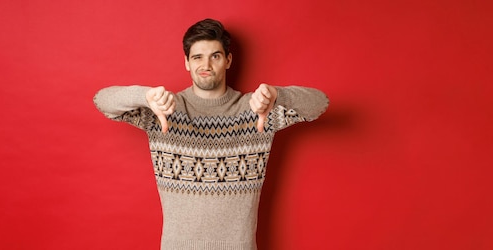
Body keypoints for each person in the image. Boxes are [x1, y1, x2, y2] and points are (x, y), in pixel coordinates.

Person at [94, 18, 328, 250]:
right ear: (186, 62)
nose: (206, 65)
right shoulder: (164, 109)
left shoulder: (256, 109)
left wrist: (278, 95)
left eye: (215, 56)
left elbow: (320, 104)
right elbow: (102, 100)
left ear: (228, 60)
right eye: (197, 57)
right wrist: (144, 96)